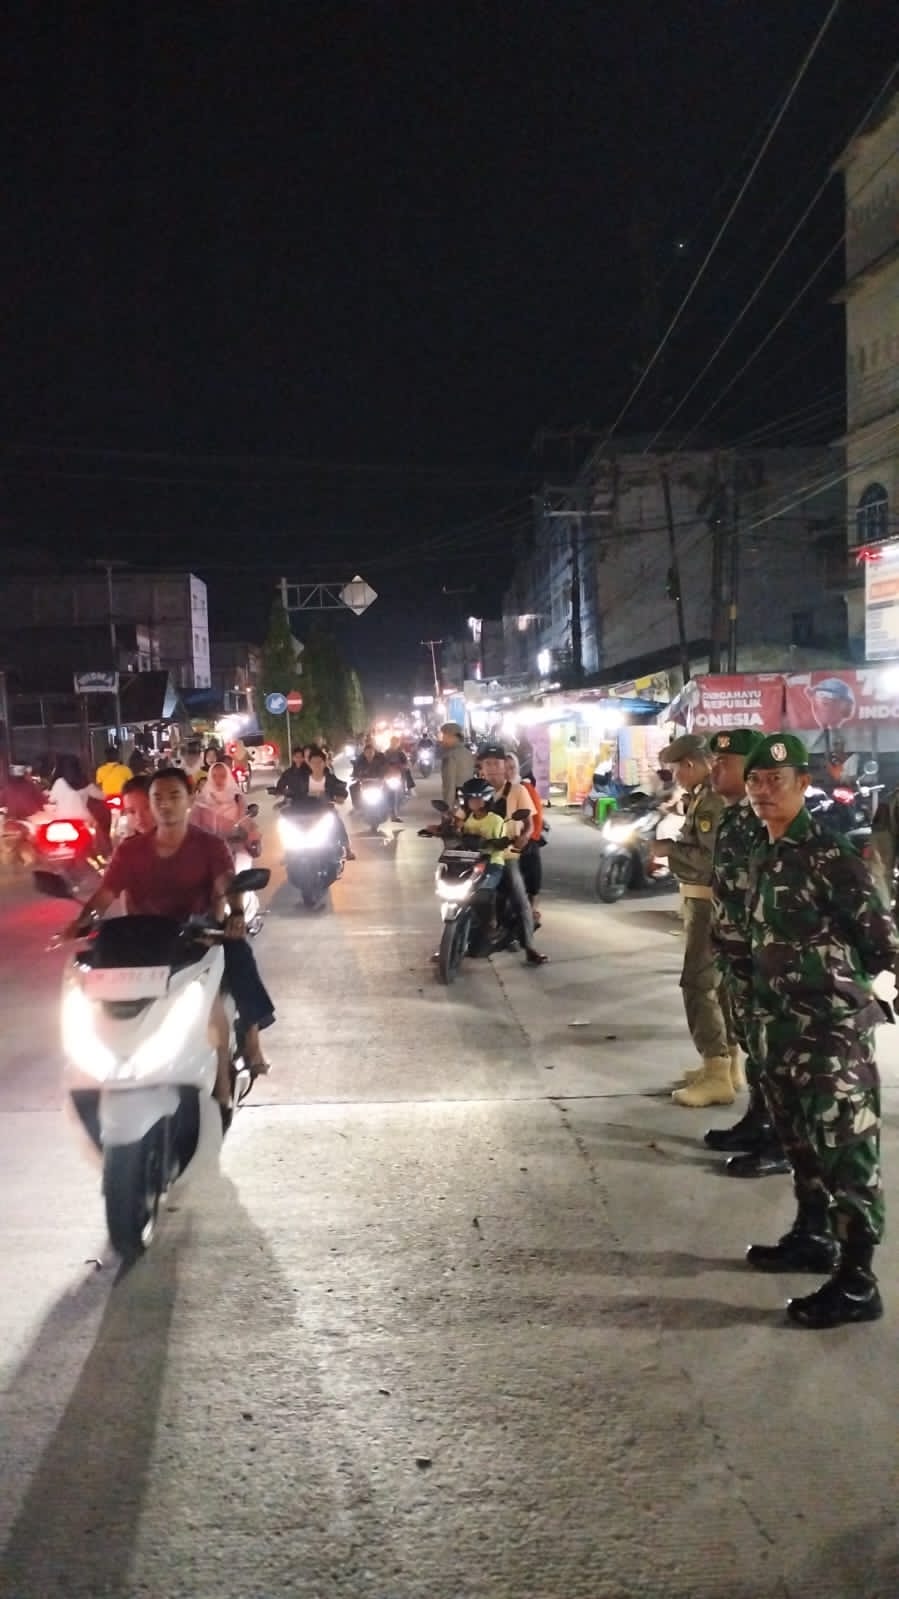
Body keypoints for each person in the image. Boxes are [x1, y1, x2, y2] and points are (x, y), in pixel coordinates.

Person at [730, 733, 897, 1328]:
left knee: (848, 1155)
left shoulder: (832, 857)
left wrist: (847, 994)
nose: (763, 790)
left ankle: (857, 1281)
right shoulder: (764, 852)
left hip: (830, 1037)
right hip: (778, 1031)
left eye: (777, 780)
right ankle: (813, 1236)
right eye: (755, 781)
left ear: (804, 785)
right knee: (800, 1143)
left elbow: (882, 942)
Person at [62, 767, 275, 1112]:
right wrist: (81, 921)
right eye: (157, 798)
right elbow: (104, 895)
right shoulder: (131, 851)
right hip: (143, 940)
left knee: (222, 980)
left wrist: (235, 915)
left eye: (174, 796)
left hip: (198, 935)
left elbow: (226, 884)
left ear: (190, 801)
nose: (165, 805)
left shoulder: (210, 845)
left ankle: (236, 1057)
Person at [707, 729, 790, 1178]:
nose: (716, 769)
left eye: (726, 762)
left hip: (761, 955)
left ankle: (780, 1139)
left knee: (771, 1049)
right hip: (737, 950)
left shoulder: (764, 819)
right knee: (754, 1046)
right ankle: (759, 1120)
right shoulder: (735, 814)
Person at [653, 733, 738, 1108]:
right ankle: (726, 1066)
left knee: (698, 984)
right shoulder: (704, 795)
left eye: (675, 771)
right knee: (719, 987)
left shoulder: (711, 801)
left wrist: (665, 851)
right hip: (708, 900)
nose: (675, 778)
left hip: (708, 902)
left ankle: (717, 1071)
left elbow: (705, 861)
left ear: (689, 765)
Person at [478, 745, 548, 966]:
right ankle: (450, 942)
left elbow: (529, 824)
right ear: (481, 767)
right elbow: (460, 816)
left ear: (504, 767)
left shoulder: (518, 791)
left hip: (507, 854)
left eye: (496, 763)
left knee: (520, 897)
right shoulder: (474, 789)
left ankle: (530, 946)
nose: (492, 768)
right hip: (478, 854)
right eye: (487, 764)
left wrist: (524, 836)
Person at [276, 744, 355, 859]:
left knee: (336, 820)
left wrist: (334, 796)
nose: (315, 764)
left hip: (324, 811)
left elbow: (339, 789)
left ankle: (347, 848)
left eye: (318, 762)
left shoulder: (328, 775)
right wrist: (284, 798)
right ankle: (289, 852)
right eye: (310, 760)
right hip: (303, 811)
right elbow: (291, 791)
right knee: (286, 824)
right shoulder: (300, 776)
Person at [508, 753, 544, 923]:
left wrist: (529, 838)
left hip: (523, 840)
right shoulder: (492, 790)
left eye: (512, 768)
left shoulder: (524, 788)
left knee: (531, 863)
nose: (508, 772)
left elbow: (536, 820)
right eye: (505, 768)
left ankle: (532, 907)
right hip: (499, 842)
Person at [48, 754, 108, 841]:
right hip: (83, 819)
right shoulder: (84, 782)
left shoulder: (59, 782)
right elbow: (102, 796)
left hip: (62, 820)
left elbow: (51, 799)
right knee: (98, 832)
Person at [192, 760, 246, 837]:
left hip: (233, 840)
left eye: (222, 776)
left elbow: (243, 822)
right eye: (214, 776)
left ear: (228, 777)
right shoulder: (202, 799)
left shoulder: (237, 797)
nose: (218, 780)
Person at [439, 722, 474, 807]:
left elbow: (450, 785)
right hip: (469, 798)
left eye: (445, 737)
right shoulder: (468, 753)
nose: (443, 740)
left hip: (456, 800)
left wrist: (447, 808)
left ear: (452, 737)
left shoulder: (451, 756)